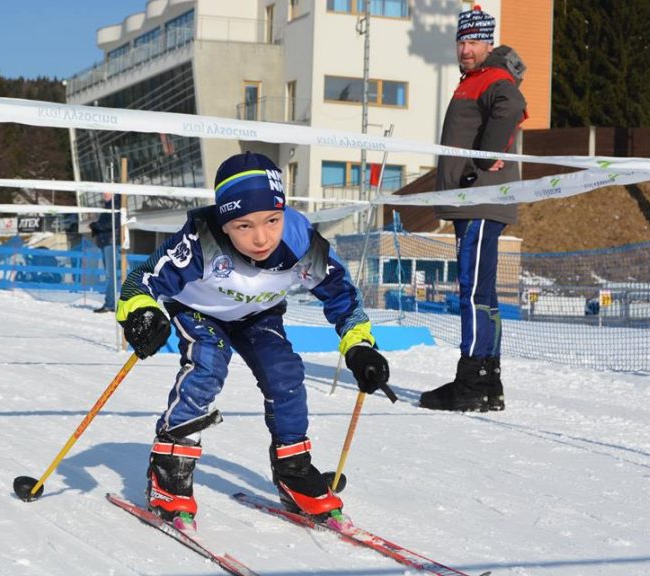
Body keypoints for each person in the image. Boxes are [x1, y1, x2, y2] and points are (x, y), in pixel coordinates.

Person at [115, 152, 394, 529]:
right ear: (225, 223)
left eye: (271, 220)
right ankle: (170, 468)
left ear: (283, 212)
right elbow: (143, 279)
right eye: (243, 226)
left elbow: (342, 297)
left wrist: (360, 347)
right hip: (199, 311)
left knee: (285, 373)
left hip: (257, 314)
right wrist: (141, 313)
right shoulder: (202, 242)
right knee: (208, 362)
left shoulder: (299, 242)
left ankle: (293, 470)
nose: (261, 237)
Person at [419, 5, 526, 413]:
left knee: (473, 290)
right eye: (461, 41)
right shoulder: (473, 80)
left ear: (488, 43)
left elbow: (511, 107)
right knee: (482, 291)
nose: (466, 48)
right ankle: (489, 381)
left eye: (474, 41)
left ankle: (471, 381)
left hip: (481, 199)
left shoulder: (494, 78)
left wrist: (484, 157)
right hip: (472, 202)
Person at [89, 192, 122, 313]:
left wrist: (96, 226)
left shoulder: (115, 205)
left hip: (111, 243)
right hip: (106, 242)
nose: (104, 194)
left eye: (107, 191)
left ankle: (110, 304)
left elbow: (113, 223)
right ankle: (111, 303)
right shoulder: (109, 206)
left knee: (110, 274)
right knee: (109, 274)